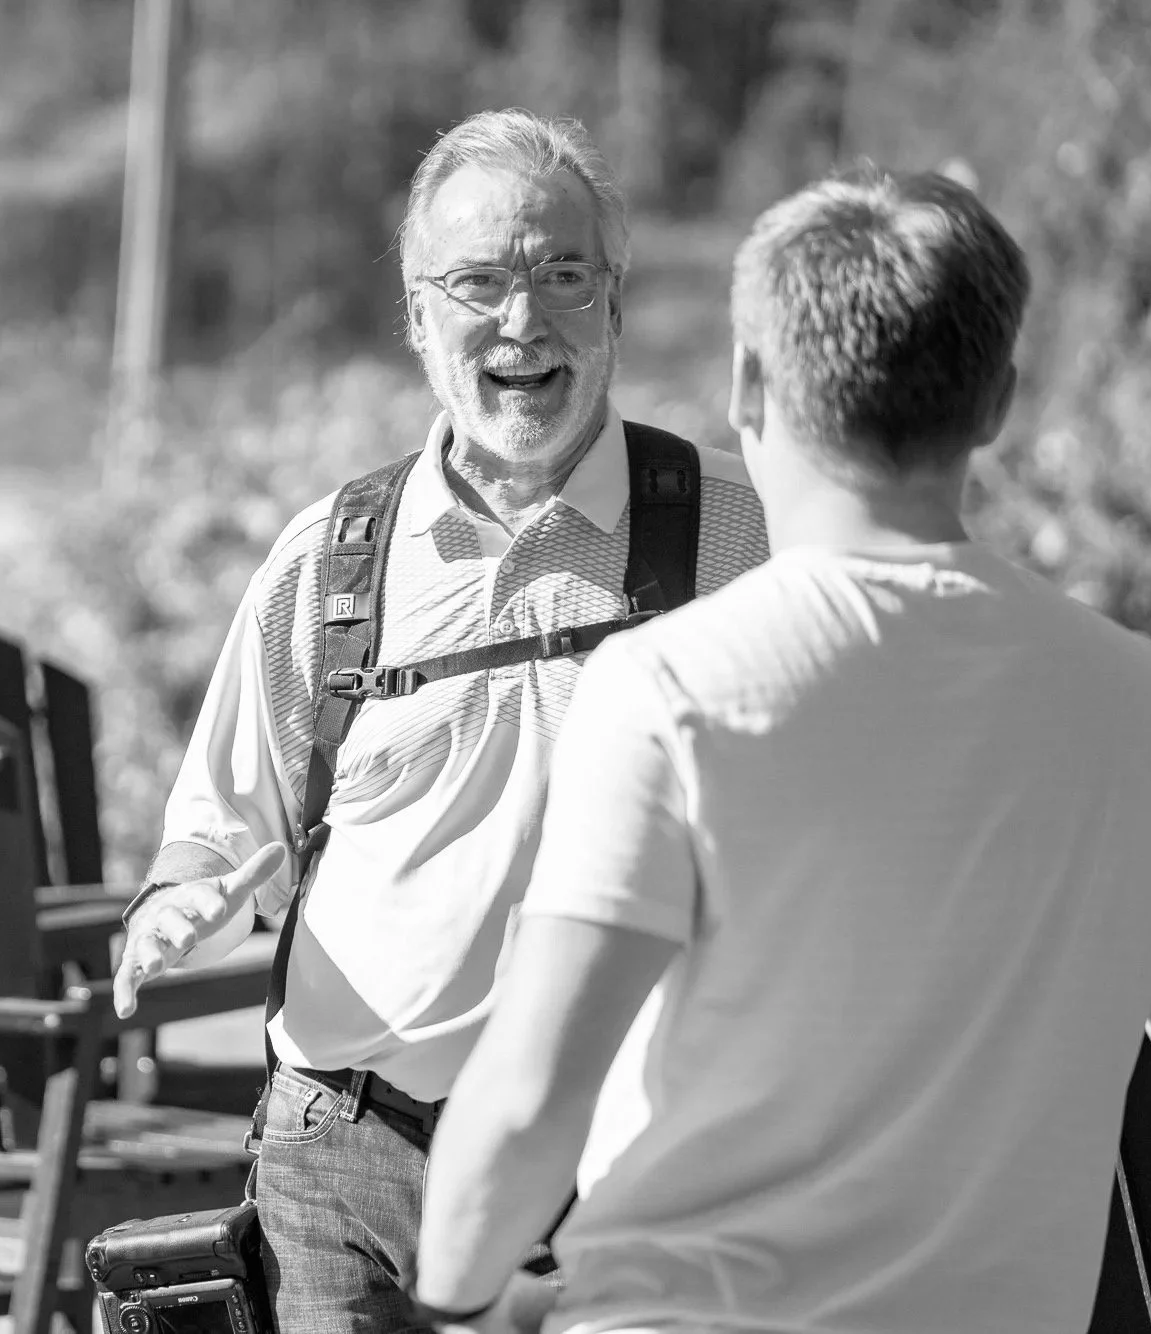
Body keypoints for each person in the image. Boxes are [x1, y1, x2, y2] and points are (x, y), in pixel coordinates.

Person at [414, 167, 1151, 1333]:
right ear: (994, 403)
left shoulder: (673, 687)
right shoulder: (1142, 702)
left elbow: (525, 1101)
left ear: (749, 386)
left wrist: (453, 1307)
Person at [108, 109, 770, 1332]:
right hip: (342, 1152)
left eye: (561, 274)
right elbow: (209, 835)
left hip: (627, 1148)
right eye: (477, 283)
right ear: (416, 321)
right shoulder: (329, 560)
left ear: (612, 304)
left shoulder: (738, 537)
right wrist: (176, 907)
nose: (521, 320)